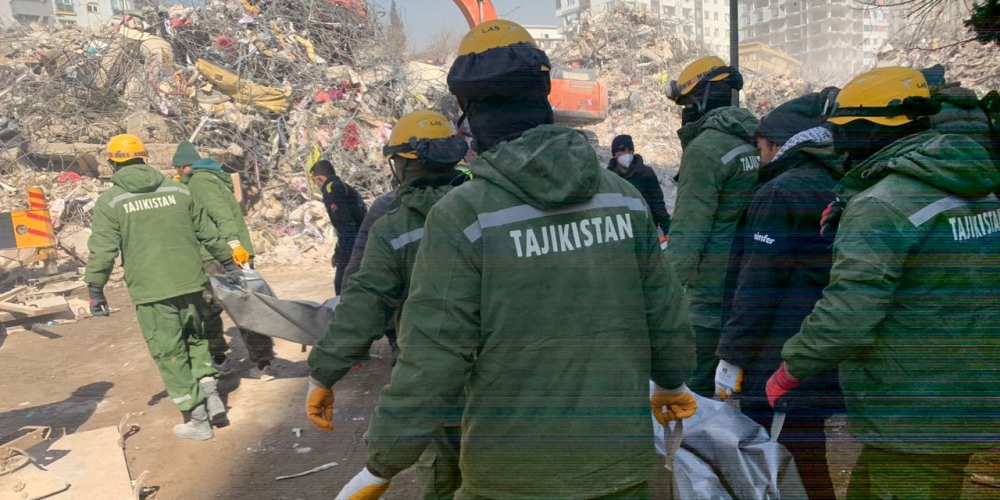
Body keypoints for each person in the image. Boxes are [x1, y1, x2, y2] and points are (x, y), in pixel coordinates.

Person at [329, 20, 697, 500]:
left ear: (467, 112)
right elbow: (665, 312)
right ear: (544, 95)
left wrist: (383, 463)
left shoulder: (464, 215)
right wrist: (671, 380)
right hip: (618, 464)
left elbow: (435, 355)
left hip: (511, 474)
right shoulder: (623, 199)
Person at [765, 67, 1000, 499]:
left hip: (914, 408)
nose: (837, 142)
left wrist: (791, 368)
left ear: (867, 129)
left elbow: (849, 313)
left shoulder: (882, 204)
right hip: (967, 390)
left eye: (842, 130)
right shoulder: (977, 190)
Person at [307, 110, 471, 499]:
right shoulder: (491, 206)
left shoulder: (390, 218)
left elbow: (362, 298)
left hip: (425, 376)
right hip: (500, 379)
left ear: (401, 164)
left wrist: (323, 374)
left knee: (443, 475)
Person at [714, 92, 845, 500]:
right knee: (807, 451)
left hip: (778, 354)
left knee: (785, 459)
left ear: (777, 145)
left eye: (761, 148)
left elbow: (759, 283)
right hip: (815, 347)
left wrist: (732, 354)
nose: (760, 158)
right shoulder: (833, 183)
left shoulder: (780, 192)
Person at [85, 134, 242, 440]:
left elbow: (103, 251)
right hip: (192, 283)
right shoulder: (178, 190)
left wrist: (95, 289)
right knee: (197, 340)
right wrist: (229, 264)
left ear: (113, 164)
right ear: (144, 158)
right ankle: (212, 396)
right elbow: (208, 233)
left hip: (153, 291)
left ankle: (198, 420)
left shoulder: (111, 201)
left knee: (170, 353)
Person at [665, 56, 761, 397]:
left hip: (708, 297)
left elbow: (689, 232)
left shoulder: (705, 150)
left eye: (685, 104)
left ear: (700, 100)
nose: (684, 113)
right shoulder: (757, 141)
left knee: (695, 396)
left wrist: (664, 293)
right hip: (748, 286)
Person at [172, 141, 277, 381]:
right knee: (246, 305)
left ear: (183, 167)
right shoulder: (212, 178)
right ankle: (263, 362)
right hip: (232, 253)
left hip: (217, 255)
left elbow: (220, 214)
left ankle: (219, 359)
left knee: (208, 309)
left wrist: (232, 244)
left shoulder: (199, 182)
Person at [310, 159, 367, 295]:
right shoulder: (343, 186)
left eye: (314, 181)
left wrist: (343, 256)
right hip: (363, 240)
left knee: (342, 286)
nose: (315, 185)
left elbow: (346, 226)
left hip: (355, 244)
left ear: (320, 179)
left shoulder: (331, 191)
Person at [607, 134, 671, 234]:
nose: (627, 153)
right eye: (622, 150)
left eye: (630, 150)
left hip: (645, 229)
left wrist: (667, 229)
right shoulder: (609, 177)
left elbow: (657, 203)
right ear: (615, 153)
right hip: (621, 231)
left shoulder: (646, 173)